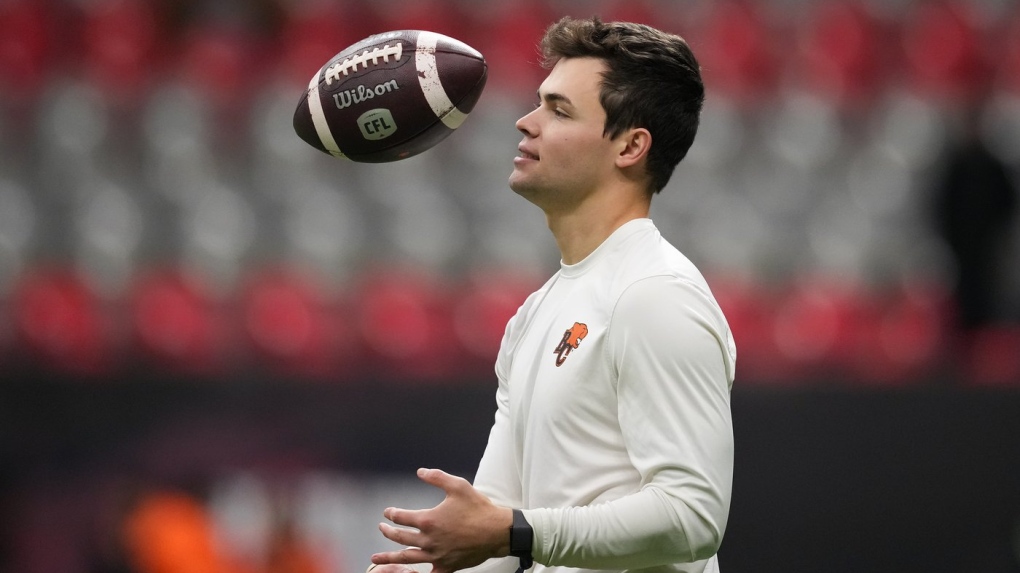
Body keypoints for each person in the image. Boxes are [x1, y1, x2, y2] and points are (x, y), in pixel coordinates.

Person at [369, 15, 736, 573]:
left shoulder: (656, 295)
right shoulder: (536, 314)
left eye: (559, 110)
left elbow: (692, 517)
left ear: (631, 146)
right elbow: (495, 521)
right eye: (540, 103)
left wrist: (516, 531)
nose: (526, 122)